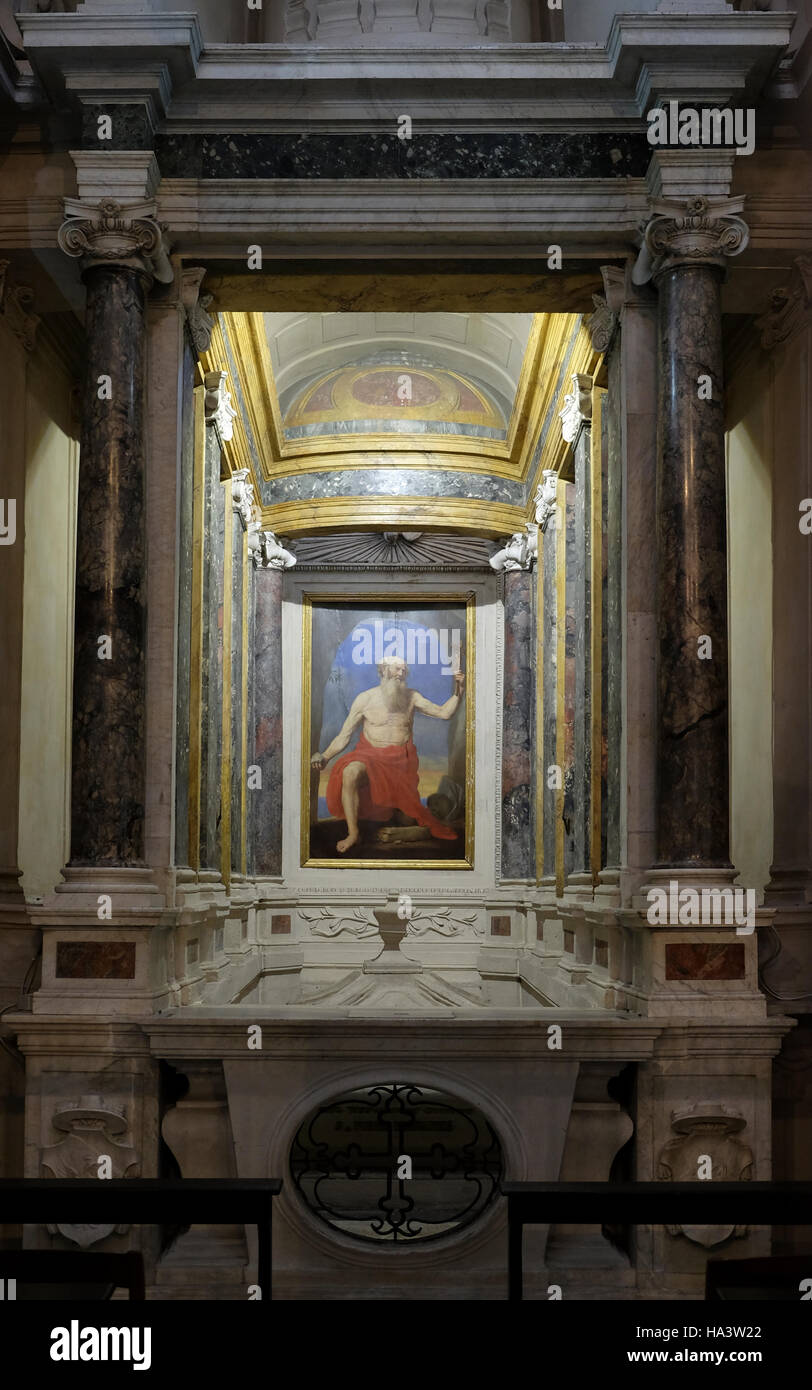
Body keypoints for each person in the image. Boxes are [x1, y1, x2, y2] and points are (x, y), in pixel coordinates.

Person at [311, 656, 465, 853]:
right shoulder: (365, 699)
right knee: (350, 772)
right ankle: (353, 834)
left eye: (404, 671)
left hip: (400, 766)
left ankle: (400, 820)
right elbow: (344, 736)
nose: (401, 674)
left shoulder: (412, 696)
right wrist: (324, 756)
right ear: (383, 670)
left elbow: (444, 713)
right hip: (369, 757)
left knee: (409, 819)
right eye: (397, 669)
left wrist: (458, 691)